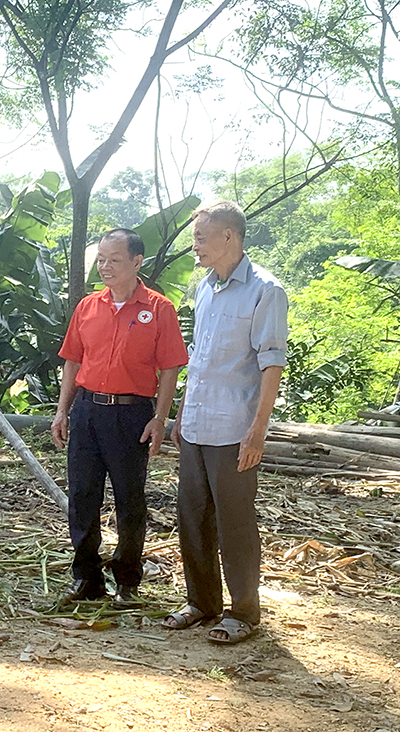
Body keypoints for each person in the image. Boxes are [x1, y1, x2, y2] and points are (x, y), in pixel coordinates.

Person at [163, 200, 287, 644]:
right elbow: (199, 361)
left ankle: (243, 613)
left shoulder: (265, 291)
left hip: (235, 428)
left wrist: (258, 429)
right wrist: (180, 414)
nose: (194, 246)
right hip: (197, 423)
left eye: (200, 237)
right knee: (192, 516)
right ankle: (202, 602)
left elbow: (271, 364)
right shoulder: (203, 288)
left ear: (228, 237)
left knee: (235, 521)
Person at [51, 229, 188, 607]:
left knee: (130, 499)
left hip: (132, 414)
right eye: (101, 259)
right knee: (81, 496)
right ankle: (87, 579)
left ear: (136, 262)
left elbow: (171, 368)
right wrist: (63, 410)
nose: (106, 267)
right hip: (88, 411)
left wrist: (160, 418)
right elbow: (72, 360)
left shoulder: (159, 309)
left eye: (114, 259)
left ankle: (127, 581)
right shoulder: (88, 306)